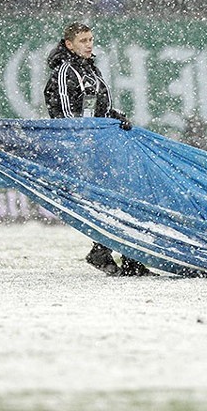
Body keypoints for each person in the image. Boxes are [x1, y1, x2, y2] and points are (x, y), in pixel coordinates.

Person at [44, 21, 152, 277]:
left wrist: (115, 117)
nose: (89, 44)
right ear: (69, 44)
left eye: (91, 39)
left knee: (121, 198)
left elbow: (98, 108)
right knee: (112, 199)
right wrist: (88, 140)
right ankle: (114, 253)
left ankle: (120, 254)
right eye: (83, 41)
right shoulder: (64, 72)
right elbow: (69, 119)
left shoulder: (91, 69)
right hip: (84, 150)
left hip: (101, 145)